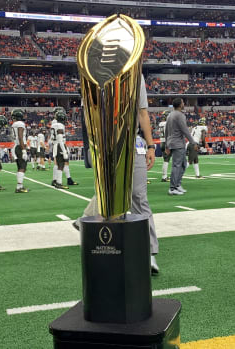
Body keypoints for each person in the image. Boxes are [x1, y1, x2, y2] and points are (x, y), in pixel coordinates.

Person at [76, 74, 160, 274]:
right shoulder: (93, 72)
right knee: (110, 196)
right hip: (105, 143)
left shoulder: (136, 74)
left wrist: (150, 145)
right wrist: (94, 146)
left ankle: (149, 253)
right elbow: (89, 113)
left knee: (139, 197)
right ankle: (108, 247)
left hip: (132, 143)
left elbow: (142, 112)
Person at [165, 98, 197, 195]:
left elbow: (166, 131)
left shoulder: (170, 115)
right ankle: (172, 188)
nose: (184, 104)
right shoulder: (180, 115)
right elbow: (185, 130)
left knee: (183, 164)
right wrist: (193, 142)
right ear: (180, 105)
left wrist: (167, 144)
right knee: (177, 165)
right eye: (183, 102)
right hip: (178, 143)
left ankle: (177, 184)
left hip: (172, 142)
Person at [51, 107, 78, 189]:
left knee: (58, 163)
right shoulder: (58, 123)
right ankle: (60, 180)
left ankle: (55, 180)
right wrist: (64, 149)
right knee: (62, 163)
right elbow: (59, 136)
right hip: (60, 144)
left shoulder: (54, 122)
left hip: (56, 144)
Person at [11, 109, 29, 193]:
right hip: (20, 146)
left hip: (16, 146)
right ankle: (19, 187)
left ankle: (20, 186)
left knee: (20, 167)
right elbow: (20, 137)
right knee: (22, 167)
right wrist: (24, 150)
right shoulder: (20, 124)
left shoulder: (14, 124)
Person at [158, 110, 171, 182]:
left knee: (165, 160)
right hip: (166, 142)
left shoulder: (161, 123)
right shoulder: (167, 123)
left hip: (161, 142)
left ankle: (164, 176)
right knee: (166, 160)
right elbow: (167, 134)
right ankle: (164, 176)